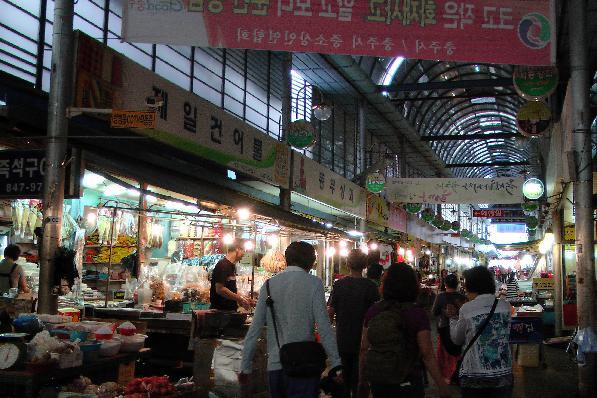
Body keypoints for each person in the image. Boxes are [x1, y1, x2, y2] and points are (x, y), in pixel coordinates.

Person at [239, 241, 343, 398]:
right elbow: (324, 327)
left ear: (287, 260)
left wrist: (244, 366)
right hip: (304, 365)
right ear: (311, 262)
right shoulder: (314, 284)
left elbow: (255, 329)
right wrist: (336, 363)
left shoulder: (268, 285)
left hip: (276, 365)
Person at [359, 263, 451, 398]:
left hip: (379, 379)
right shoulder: (417, 314)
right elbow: (427, 354)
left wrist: (362, 381)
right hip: (409, 378)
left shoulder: (374, 310)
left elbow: (364, 348)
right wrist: (441, 385)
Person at [448, 266, 512, 398]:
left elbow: (456, 339)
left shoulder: (466, 309)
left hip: (474, 375)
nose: (465, 290)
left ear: (472, 286)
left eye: (466, 286)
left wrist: (452, 319)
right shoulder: (505, 307)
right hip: (502, 374)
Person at [328, 249, 380, 397]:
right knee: (360, 381)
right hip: (364, 341)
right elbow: (376, 315)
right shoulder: (371, 287)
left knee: (343, 381)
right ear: (365, 266)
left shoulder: (339, 285)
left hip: (342, 339)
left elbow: (330, 313)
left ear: (347, 264)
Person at [432, 273, 466, 383]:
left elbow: (434, 312)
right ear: (457, 284)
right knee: (457, 353)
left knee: (445, 354)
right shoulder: (462, 298)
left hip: (444, 329)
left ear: (445, 284)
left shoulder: (440, 297)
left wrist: (443, 312)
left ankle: (446, 376)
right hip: (459, 330)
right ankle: (457, 374)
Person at [209, 241, 250, 311]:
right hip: (220, 312)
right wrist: (240, 299)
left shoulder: (232, 266)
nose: (244, 254)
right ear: (237, 249)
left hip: (230, 311)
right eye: (244, 250)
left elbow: (230, 289)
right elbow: (220, 289)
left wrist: (243, 298)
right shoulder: (222, 265)